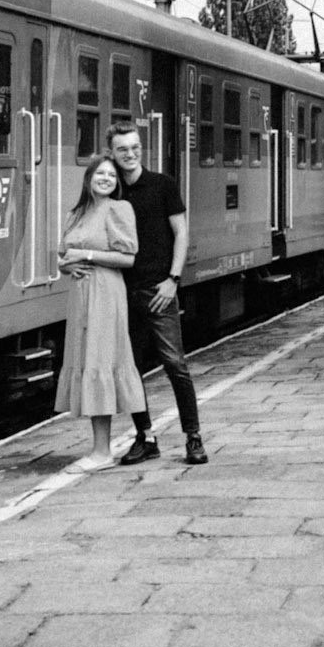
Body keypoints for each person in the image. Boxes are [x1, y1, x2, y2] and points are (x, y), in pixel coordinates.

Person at [106, 121, 205, 465]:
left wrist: (173, 279)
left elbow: (181, 233)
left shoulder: (163, 185)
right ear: (113, 153)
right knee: (129, 370)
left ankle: (194, 437)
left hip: (159, 289)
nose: (130, 154)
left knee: (175, 364)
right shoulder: (111, 190)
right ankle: (145, 437)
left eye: (134, 147)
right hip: (122, 293)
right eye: (122, 149)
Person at [54, 155, 146, 471]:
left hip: (106, 293)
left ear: (116, 182)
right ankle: (99, 449)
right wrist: (67, 264)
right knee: (87, 361)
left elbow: (128, 256)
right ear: (89, 178)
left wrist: (87, 254)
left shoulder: (119, 209)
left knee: (99, 361)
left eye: (111, 174)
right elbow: (64, 256)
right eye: (100, 173)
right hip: (80, 296)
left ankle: (102, 452)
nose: (105, 178)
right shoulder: (76, 213)